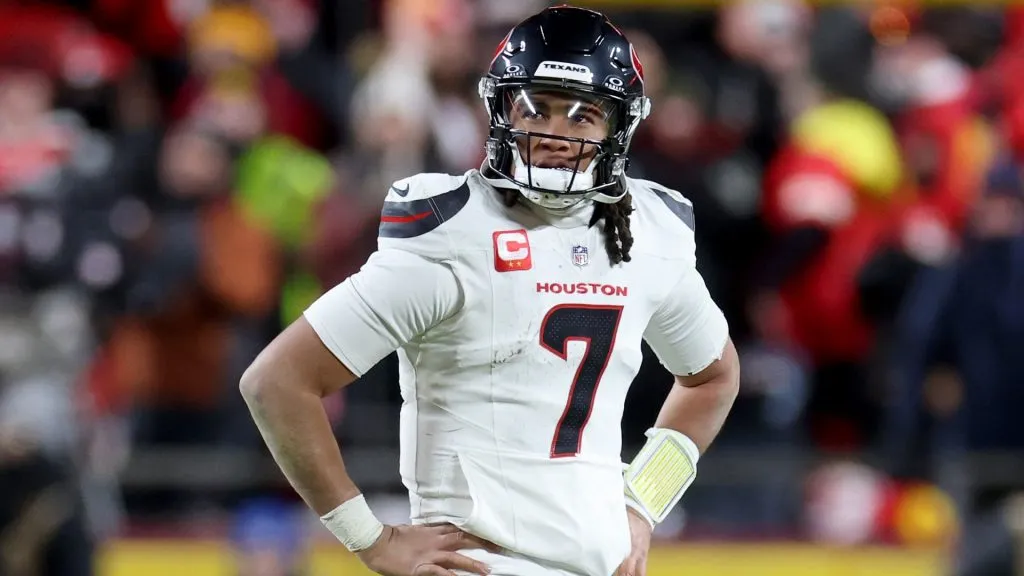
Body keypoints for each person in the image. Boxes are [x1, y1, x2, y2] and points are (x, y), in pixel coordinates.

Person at [241, 6, 740, 576]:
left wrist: (643, 502)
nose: (555, 133)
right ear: (500, 109)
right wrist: (370, 539)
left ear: (618, 127)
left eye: (583, 117)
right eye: (536, 108)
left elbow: (713, 376)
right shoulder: (453, 232)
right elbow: (276, 382)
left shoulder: (649, 231)